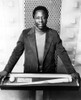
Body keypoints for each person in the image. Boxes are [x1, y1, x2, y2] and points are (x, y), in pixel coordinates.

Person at [0, 5, 80, 100]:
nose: (41, 20)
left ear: (47, 18)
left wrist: (72, 71)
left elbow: (62, 53)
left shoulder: (53, 34)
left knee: (48, 97)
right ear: (33, 18)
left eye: (43, 17)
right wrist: (6, 70)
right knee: (31, 97)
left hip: (49, 72)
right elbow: (16, 53)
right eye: (37, 18)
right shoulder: (25, 34)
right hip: (30, 72)